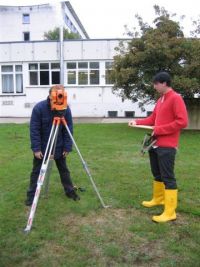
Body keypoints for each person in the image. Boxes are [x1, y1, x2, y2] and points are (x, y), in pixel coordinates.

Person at [128, 72, 188, 222]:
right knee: (157, 174)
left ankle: (170, 212)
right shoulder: (160, 99)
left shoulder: (176, 98)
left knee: (168, 177)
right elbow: (153, 119)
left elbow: (182, 122)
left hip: (167, 146)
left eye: (156, 84)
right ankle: (158, 199)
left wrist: (159, 130)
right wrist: (137, 122)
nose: (154, 86)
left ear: (164, 83)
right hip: (155, 144)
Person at [25, 85, 80, 206]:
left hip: (59, 146)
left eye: (62, 94)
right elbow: (34, 130)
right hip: (43, 148)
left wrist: (67, 147)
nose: (59, 97)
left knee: (64, 170)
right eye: (57, 94)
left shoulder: (65, 109)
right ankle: (31, 195)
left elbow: (68, 129)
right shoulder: (39, 108)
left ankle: (70, 191)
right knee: (37, 172)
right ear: (50, 95)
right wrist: (36, 148)